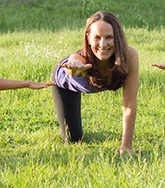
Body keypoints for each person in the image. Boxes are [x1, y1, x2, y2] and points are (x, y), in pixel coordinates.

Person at [52, 11, 140, 155]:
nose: (103, 44)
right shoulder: (80, 59)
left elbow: (129, 105)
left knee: (75, 139)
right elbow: (73, 66)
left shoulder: (129, 57)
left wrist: (126, 146)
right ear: (88, 38)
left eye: (109, 37)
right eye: (97, 37)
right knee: (73, 139)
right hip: (64, 85)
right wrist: (75, 68)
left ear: (118, 38)